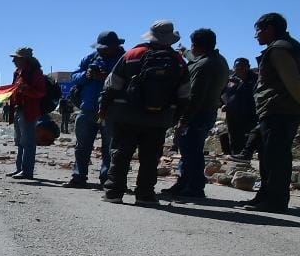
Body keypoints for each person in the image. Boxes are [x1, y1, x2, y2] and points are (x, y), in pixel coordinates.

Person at [100, 20, 190, 204]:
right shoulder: (178, 61)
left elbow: (113, 85)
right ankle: (145, 195)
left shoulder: (133, 54)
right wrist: (177, 117)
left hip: (127, 114)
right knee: (150, 158)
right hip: (159, 118)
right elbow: (184, 94)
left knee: (121, 153)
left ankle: (114, 192)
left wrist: (104, 107)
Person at [245, 12, 300, 212]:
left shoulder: (280, 50)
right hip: (276, 110)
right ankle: (265, 196)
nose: (256, 35)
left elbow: (294, 82)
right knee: (268, 156)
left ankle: (275, 201)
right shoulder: (287, 47)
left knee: (276, 158)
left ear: (269, 29)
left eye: (258, 30)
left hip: (280, 110)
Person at [164, 28, 229, 200]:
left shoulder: (203, 66)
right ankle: (184, 183)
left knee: (192, 151)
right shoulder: (219, 60)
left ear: (196, 45)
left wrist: (183, 120)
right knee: (189, 150)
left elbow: (195, 96)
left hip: (197, 114)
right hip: (207, 111)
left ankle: (194, 187)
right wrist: (184, 52)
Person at [66, 31, 123, 188]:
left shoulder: (123, 59)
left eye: (104, 48)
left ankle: (107, 179)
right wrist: (87, 75)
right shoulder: (90, 58)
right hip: (88, 108)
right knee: (82, 146)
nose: (101, 50)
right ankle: (78, 176)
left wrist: (106, 77)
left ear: (115, 46)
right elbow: (74, 77)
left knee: (109, 147)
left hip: (111, 110)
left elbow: (126, 82)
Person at [3, 47, 48, 179]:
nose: (13, 61)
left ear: (24, 59)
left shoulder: (35, 73)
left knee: (28, 142)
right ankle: (19, 169)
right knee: (20, 141)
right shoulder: (17, 73)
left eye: (16, 58)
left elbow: (40, 92)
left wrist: (26, 89)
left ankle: (27, 171)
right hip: (18, 110)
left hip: (29, 111)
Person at [221, 57, 258, 160]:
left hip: (250, 114)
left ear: (248, 67)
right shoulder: (230, 80)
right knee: (233, 137)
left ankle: (247, 157)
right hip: (232, 114)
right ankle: (235, 157)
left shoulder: (255, 79)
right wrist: (223, 104)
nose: (240, 69)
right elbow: (222, 94)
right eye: (237, 66)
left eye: (243, 66)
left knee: (249, 136)